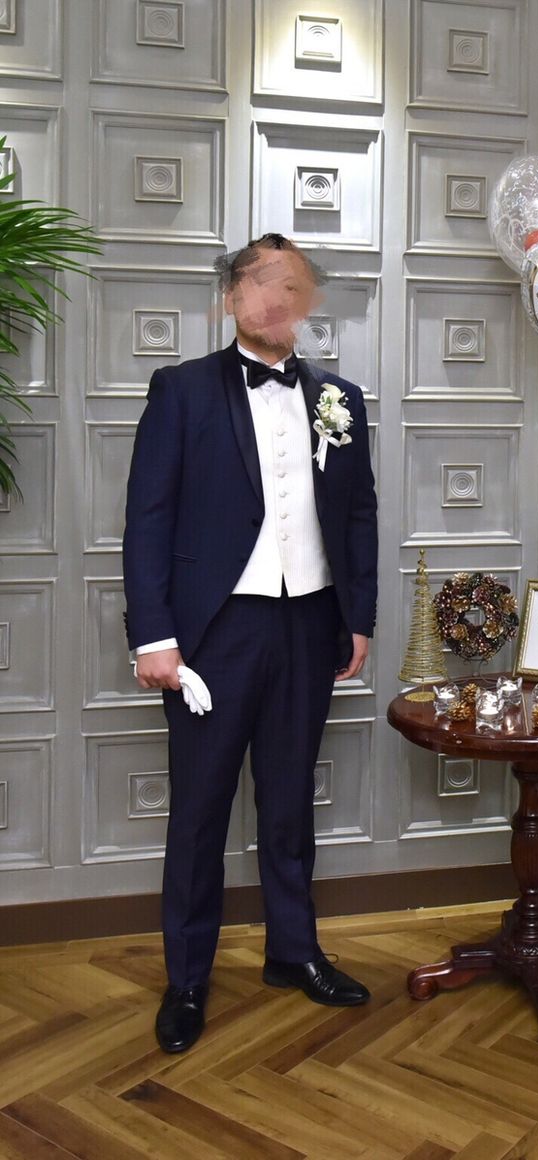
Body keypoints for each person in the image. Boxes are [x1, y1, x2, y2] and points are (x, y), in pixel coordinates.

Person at [123, 233, 379, 1054]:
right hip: (214, 633)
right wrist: (154, 638)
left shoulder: (341, 398)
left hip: (308, 622)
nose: (275, 300)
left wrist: (359, 618)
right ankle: (188, 980)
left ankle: (293, 952)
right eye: (260, 285)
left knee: (291, 799)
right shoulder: (181, 390)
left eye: (291, 286)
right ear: (232, 297)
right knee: (200, 812)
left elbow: (359, 514)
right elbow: (148, 520)